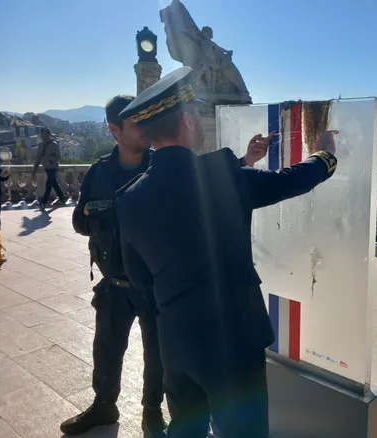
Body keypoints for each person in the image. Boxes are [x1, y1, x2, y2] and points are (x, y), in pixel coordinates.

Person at [114, 66, 338, 438]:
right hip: (233, 341)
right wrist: (326, 156)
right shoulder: (223, 175)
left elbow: (139, 280)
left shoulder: (130, 198)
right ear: (187, 120)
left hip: (176, 342)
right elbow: (291, 180)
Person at [61, 94, 267, 437]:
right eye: (135, 124)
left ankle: (152, 413)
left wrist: (244, 161)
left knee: (158, 360)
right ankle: (103, 406)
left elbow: (202, 186)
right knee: (106, 350)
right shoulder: (98, 172)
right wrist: (102, 216)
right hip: (115, 283)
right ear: (115, 130)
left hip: (155, 285)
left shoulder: (158, 167)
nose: (144, 129)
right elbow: (78, 222)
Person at [32, 127, 65, 207]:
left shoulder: (54, 144)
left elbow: (58, 157)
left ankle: (43, 202)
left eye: (43, 133)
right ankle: (62, 198)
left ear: (48, 134)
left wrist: (48, 157)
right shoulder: (40, 145)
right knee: (54, 183)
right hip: (46, 167)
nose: (41, 135)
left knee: (48, 184)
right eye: (41, 133)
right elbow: (38, 158)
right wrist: (34, 169)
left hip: (53, 167)